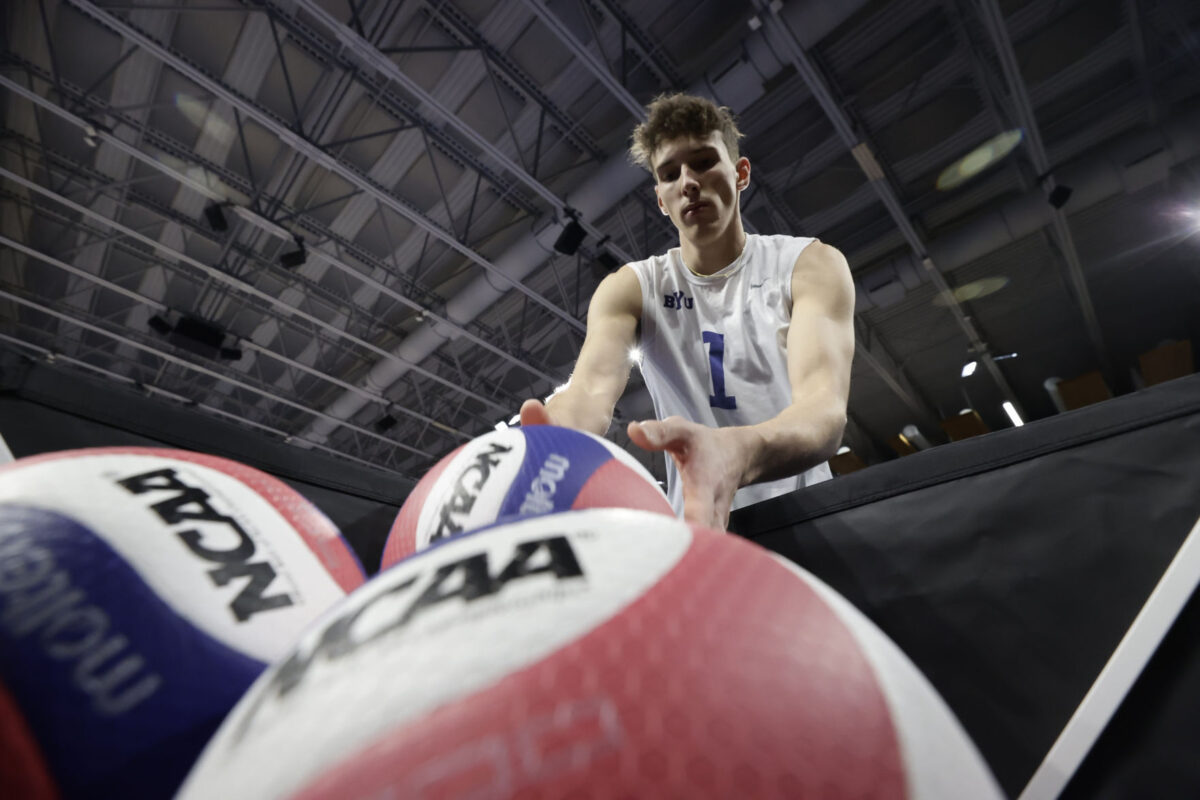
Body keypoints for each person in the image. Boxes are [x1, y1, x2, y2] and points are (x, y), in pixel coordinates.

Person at [520, 93, 854, 530]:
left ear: (740, 173)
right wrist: (557, 433)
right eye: (670, 173)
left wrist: (740, 451)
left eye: (703, 162)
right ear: (660, 199)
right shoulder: (631, 289)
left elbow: (822, 411)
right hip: (699, 535)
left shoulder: (809, 265)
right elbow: (591, 390)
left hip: (809, 520)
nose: (688, 182)